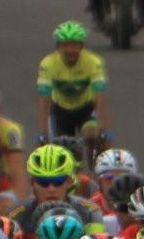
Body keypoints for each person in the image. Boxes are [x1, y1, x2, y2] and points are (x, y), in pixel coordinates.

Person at [35, 21, 107, 151]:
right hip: (60, 111)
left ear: (82, 46)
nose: (70, 50)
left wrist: (103, 128)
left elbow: (99, 98)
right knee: (64, 150)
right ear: (58, 47)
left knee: (94, 136)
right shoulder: (48, 64)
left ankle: (96, 161)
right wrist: (42, 133)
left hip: (86, 109)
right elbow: (44, 102)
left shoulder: (94, 62)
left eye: (74, 45)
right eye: (65, 45)